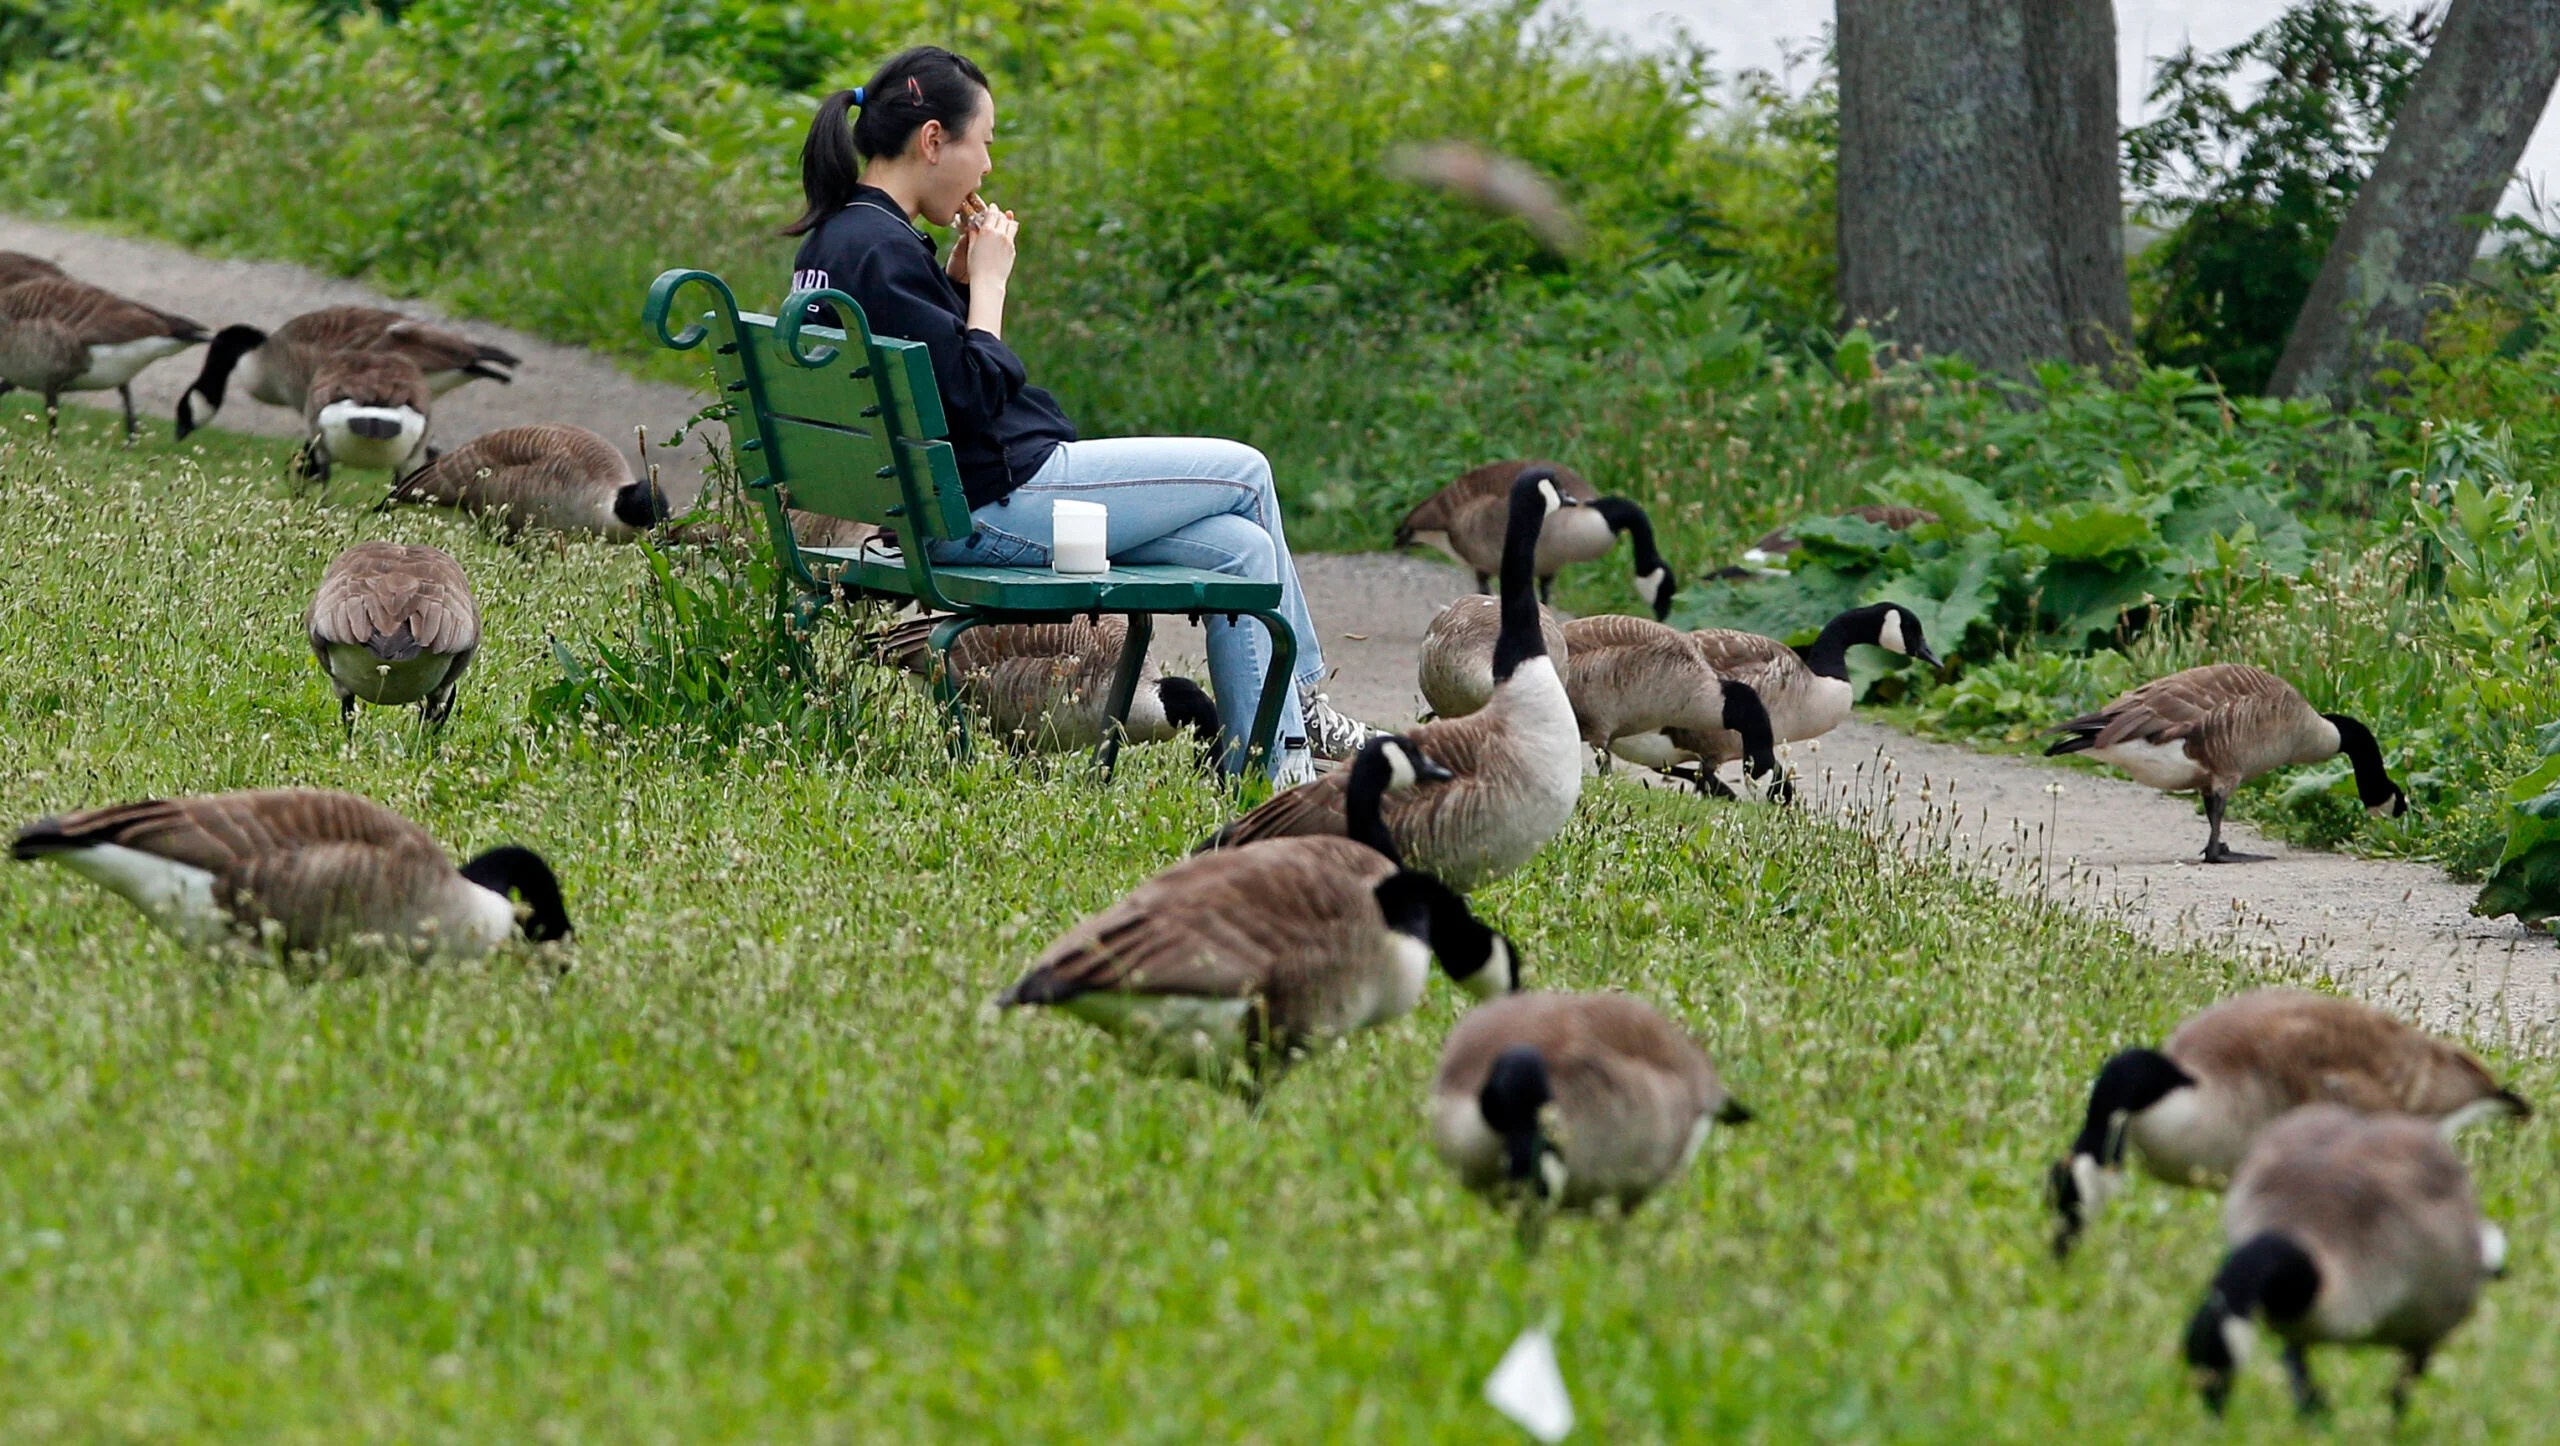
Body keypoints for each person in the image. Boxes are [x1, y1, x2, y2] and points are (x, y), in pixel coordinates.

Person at [783, 46, 1377, 783]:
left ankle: (1273, 776)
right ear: (934, 140)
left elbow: (920, 380)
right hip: (990, 505)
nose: (988, 167)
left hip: (937, 499)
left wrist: (955, 285)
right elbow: (971, 395)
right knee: (1247, 472)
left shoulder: (841, 242)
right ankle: (1308, 703)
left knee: (1242, 552)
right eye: (984, 142)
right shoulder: (881, 247)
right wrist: (991, 288)